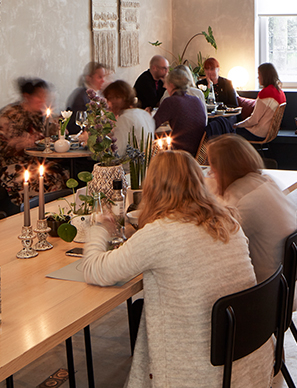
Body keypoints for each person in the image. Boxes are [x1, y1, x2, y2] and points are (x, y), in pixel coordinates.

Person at [82, 150, 274, 388]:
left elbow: (94, 270)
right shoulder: (228, 221)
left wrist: (99, 228)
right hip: (248, 360)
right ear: (198, 182)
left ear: (153, 188)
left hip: (202, 374)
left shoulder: (161, 233)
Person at [207, 134, 297, 287]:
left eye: (212, 170)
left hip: (263, 290)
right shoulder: (266, 181)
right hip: (284, 285)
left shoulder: (241, 202)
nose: (211, 174)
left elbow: (216, 242)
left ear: (224, 171)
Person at [0, 78, 68, 203]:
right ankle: (35, 211)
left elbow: (47, 136)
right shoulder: (10, 115)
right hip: (9, 165)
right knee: (44, 181)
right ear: (27, 96)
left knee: (64, 174)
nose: (43, 100)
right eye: (39, 97)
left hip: (35, 162)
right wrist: (18, 144)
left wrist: (59, 131)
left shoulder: (40, 115)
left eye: (45, 96)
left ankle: (60, 210)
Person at [154, 67, 207, 155]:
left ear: (171, 85)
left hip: (181, 155)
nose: (164, 86)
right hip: (199, 154)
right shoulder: (196, 100)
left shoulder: (171, 101)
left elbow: (152, 125)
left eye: (166, 84)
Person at [235, 63, 286, 142]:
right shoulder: (280, 92)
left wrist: (237, 125)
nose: (258, 77)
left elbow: (254, 120)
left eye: (259, 74)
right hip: (270, 133)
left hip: (259, 133)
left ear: (265, 76)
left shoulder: (266, 93)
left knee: (229, 133)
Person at [103, 80, 155, 153]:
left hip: (133, 159)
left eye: (110, 98)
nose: (108, 104)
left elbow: (118, 152)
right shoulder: (144, 114)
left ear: (119, 99)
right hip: (148, 159)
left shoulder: (124, 118)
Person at [66, 62, 109, 132]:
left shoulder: (99, 94)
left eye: (103, 77)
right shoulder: (81, 97)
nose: (103, 80)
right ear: (88, 78)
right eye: (99, 77)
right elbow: (76, 126)